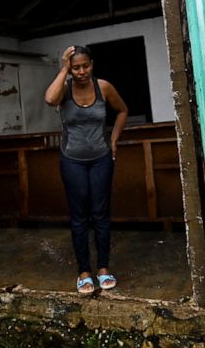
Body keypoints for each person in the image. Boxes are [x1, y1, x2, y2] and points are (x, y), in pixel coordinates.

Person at [44, 45, 128, 294]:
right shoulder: (64, 90)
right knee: (79, 217)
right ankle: (84, 272)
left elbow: (123, 110)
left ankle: (103, 268)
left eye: (85, 66)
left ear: (92, 64)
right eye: (75, 67)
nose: (81, 72)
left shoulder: (104, 87)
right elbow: (49, 99)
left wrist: (113, 139)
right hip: (72, 161)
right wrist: (62, 69)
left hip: (101, 158)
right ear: (70, 68)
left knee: (101, 214)